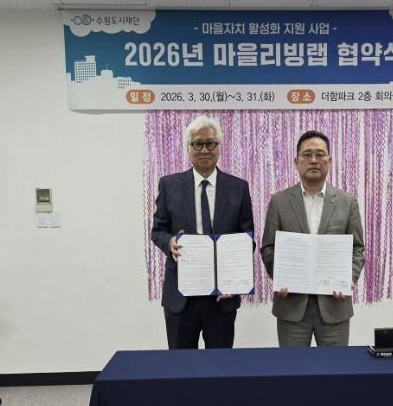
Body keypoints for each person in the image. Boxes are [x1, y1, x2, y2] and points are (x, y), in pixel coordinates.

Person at [151, 115, 254, 349]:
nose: (204, 150)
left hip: (221, 297)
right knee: (180, 365)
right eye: (198, 144)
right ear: (188, 148)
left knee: (219, 365)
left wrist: (234, 281)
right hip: (181, 296)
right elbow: (158, 230)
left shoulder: (238, 188)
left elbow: (247, 239)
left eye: (210, 143)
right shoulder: (169, 185)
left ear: (219, 147)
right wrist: (169, 242)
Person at [261, 130, 365, 347]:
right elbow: (268, 247)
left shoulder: (347, 202)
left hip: (335, 306)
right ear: (296, 162)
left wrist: (349, 278)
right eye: (307, 155)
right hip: (291, 306)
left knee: (335, 366)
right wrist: (280, 275)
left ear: (329, 161)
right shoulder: (279, 201)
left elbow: (357, 248)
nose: (314, 160)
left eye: (320, 154)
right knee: (293, 366)